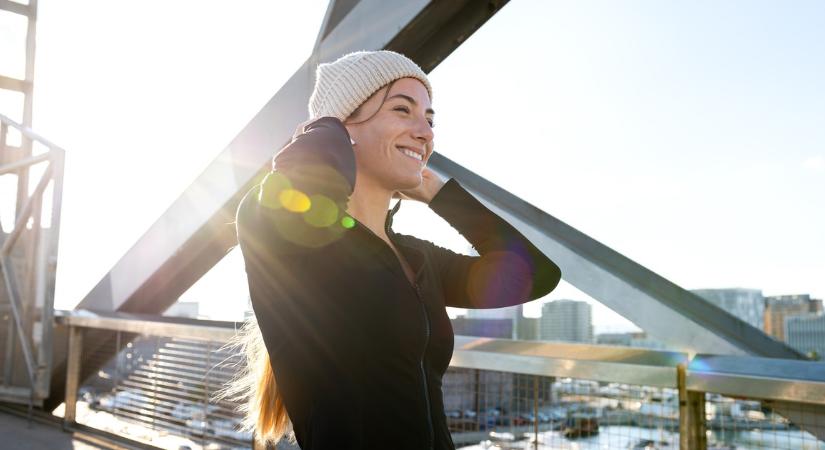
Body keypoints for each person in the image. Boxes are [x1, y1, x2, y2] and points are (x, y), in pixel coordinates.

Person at [231, 50, 562, 450]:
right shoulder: (281, 229)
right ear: (340, 127)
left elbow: (535, 276)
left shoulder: (417, 258)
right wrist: (327, 127)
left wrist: (442, 195)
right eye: (402, 110)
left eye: (430, 118)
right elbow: (305, 180)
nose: (426, 132)